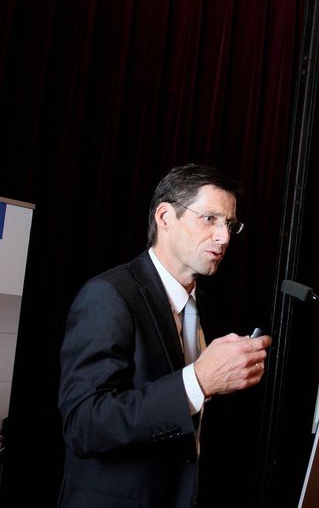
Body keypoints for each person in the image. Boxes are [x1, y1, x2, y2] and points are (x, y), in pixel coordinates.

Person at [57, 164, 272, 508]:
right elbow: (85, 425)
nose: (224, 237)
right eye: (210, 219)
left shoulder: (208, 309)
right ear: (165, 217)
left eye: (230, 224)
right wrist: (199, 381)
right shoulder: (109, 295)